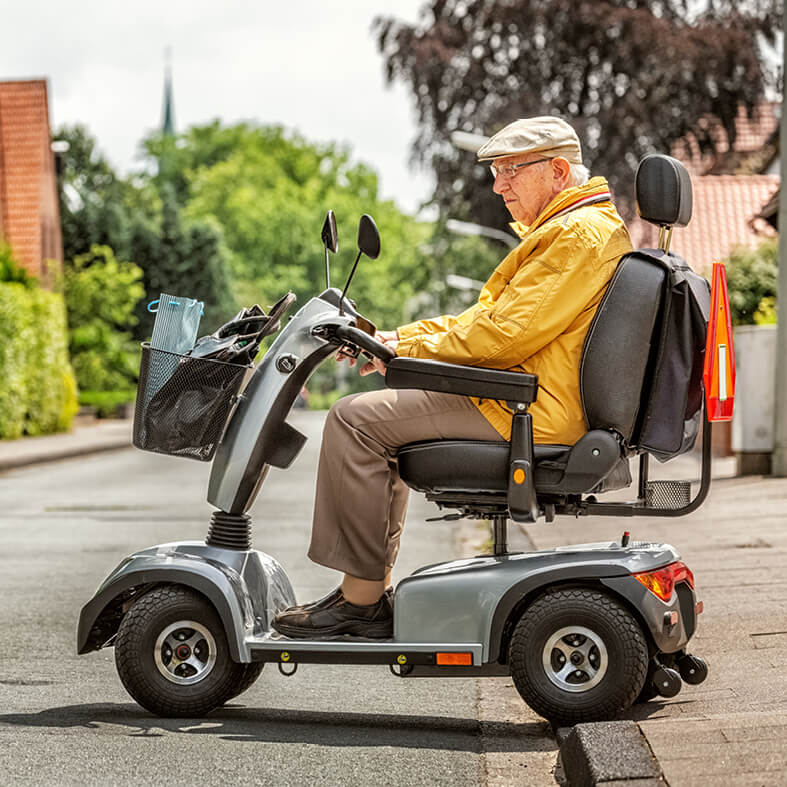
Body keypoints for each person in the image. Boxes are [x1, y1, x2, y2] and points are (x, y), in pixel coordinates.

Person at [272, 116, 633, 639]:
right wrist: (396, 342)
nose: (497, 184)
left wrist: (406, 348)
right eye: (496, 171)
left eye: (510, 170)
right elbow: (487, 326)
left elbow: (502, 338)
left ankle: (362, 602)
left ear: (557, 171)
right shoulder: (574, 230)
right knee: (375, 417)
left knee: (355, 420)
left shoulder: (575, 235)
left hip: (530, 409)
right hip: (532, 398)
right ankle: (363, 594)